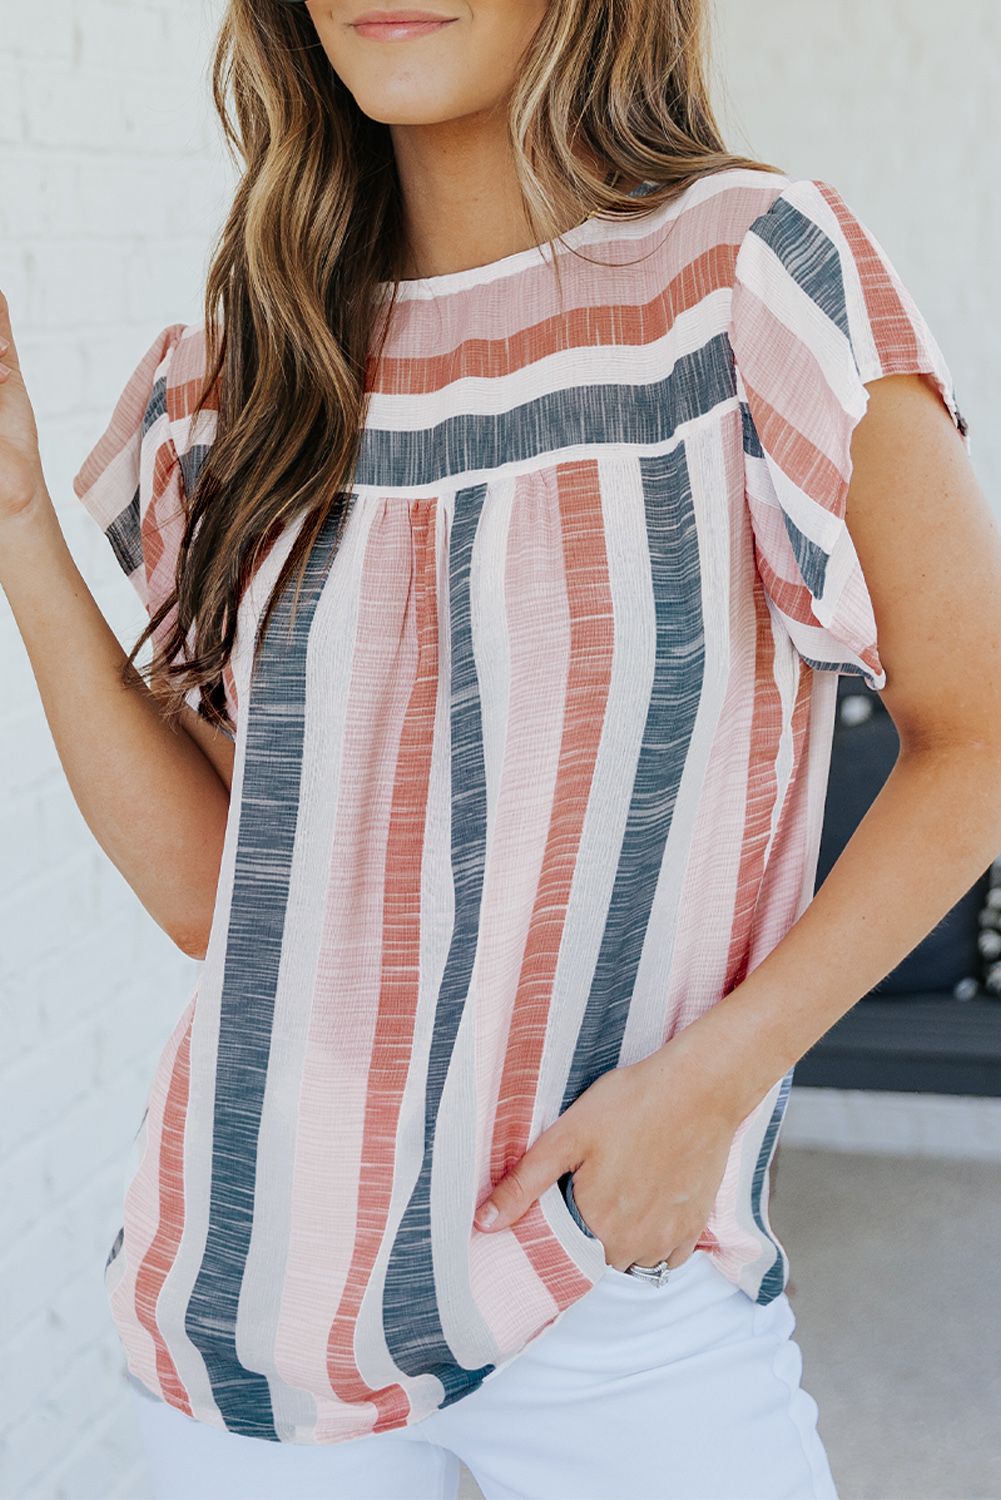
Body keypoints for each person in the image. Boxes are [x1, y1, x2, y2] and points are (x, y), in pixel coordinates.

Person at [2, 2, 1000, 1497]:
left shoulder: (750, 276)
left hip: (616, 1287)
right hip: (255, 1311)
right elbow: (226, 898)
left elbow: (976, 737)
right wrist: (19, 519)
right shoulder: (237, 379)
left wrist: (710, 1088)